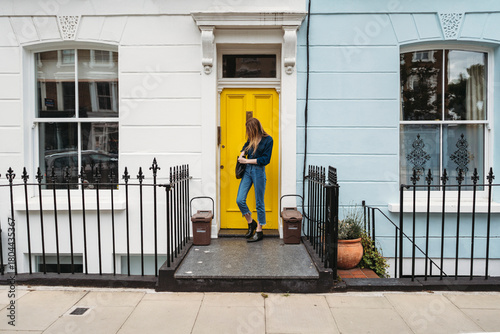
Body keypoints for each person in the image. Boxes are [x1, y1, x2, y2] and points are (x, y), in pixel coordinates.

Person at [236, 117, 273, 242]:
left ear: (255, 129)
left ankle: (259, 230)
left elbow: (265, 160)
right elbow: (246, 146)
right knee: (240, 199)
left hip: (258, 171)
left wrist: (246, 160)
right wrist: (242, 153)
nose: (248, 134)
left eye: (249, 130)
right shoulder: (251, 138)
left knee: (259, 202)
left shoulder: (268, 140)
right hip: (247, 171)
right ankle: (251, 222)